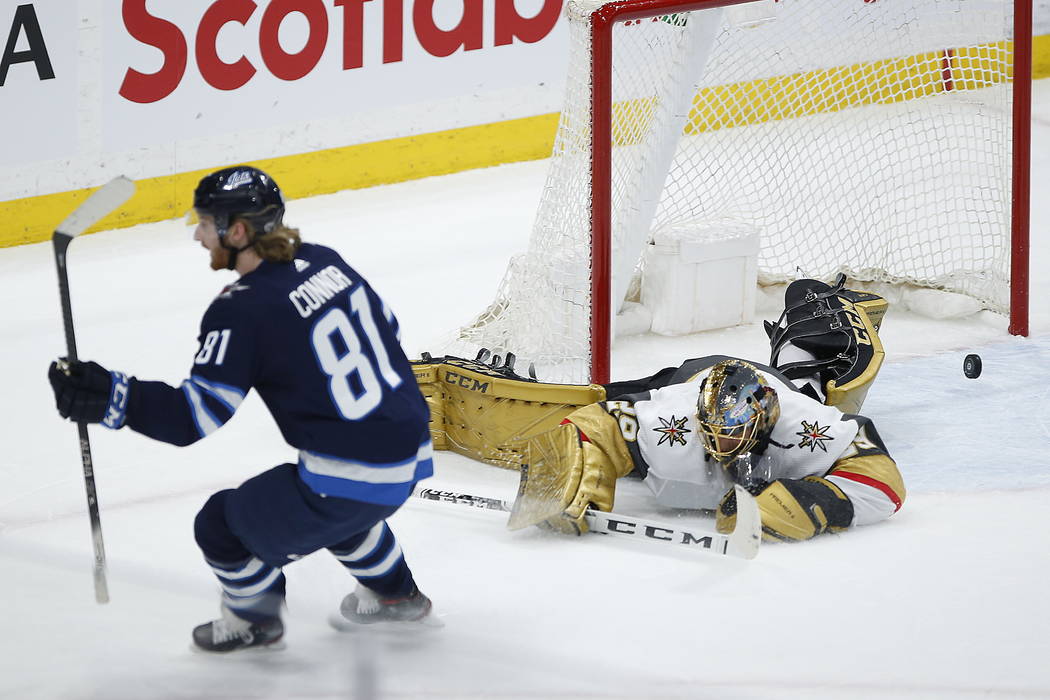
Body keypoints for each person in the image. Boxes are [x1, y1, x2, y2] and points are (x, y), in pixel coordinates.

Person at [47, 166, 435, 652]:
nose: (197, 234)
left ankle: (256, 621)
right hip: (412, 451)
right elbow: (390, 332)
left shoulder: (241, 308)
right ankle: (397, 598)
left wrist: (109, 396)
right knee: (340, 511)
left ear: (237, 231)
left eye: (206, 223)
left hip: (357, 473)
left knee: (219, 525)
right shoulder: (324, 260)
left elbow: (194, 418)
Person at [414, 276, 904, 543]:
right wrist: (561, 481)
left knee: (812, 384)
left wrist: (797, 505)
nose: (727, 449)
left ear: (768, 424)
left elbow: (884, 482)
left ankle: (822, 316)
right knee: (600, 399)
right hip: (684, 380)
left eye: (738, 439)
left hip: (774, 386)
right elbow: (589, 424)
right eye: (718, 438)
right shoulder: (669, 418)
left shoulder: (804, 423)